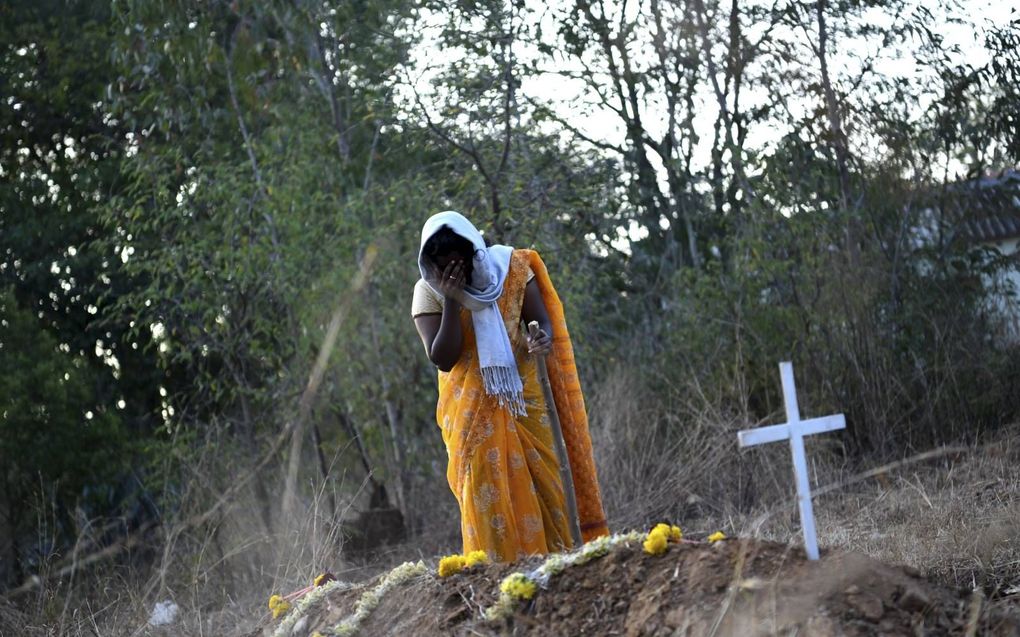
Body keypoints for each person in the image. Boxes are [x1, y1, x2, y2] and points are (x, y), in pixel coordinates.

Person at [411, 211, 608, 562]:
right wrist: (453, 298)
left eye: (461, 263)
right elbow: (443, 358)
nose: (454, 272)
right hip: (474, 423)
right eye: (444, 267)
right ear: (431, 264)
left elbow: (541, 322)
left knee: (549, 492)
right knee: (489, 506)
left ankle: (561, 573)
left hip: (526, 406)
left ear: (476, 251)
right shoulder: (429, 292)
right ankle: (500, 585)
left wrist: (540, 340)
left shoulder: (511, 269)